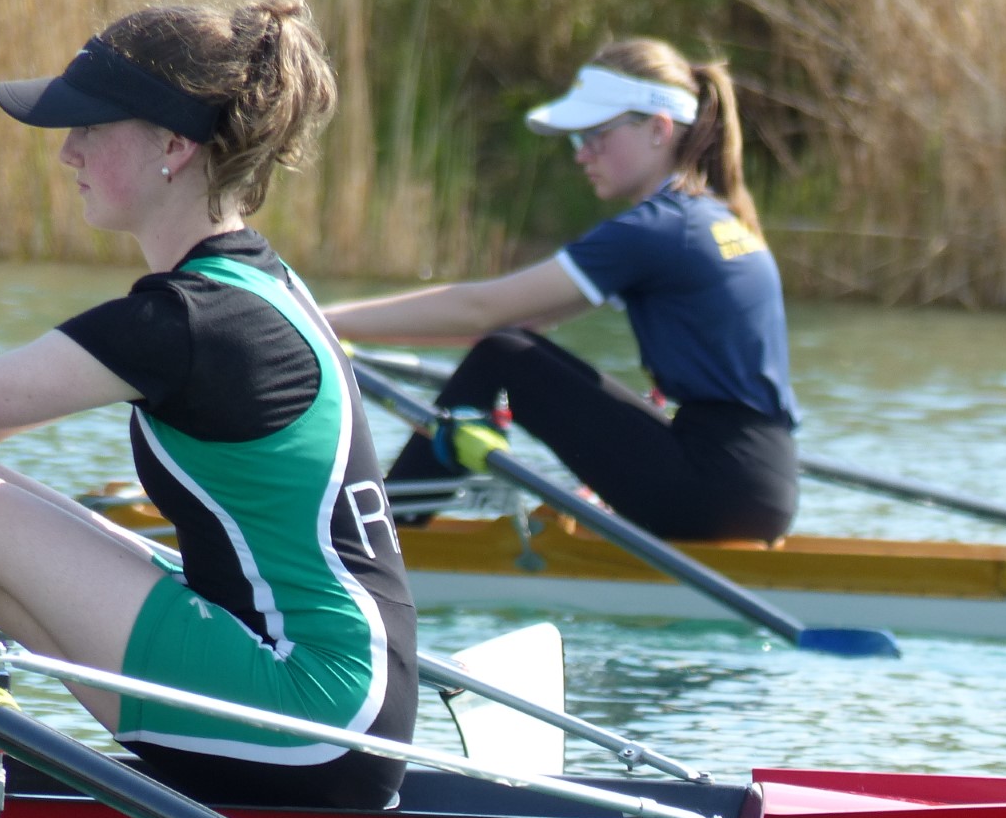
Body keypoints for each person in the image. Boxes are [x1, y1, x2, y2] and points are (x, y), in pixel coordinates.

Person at [0, 0, 416, 809]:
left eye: (90, 127)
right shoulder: (248, 285)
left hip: (314, 715)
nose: (66, 153)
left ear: (173, 145)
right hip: (333, 698)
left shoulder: (193, 323)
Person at [325, 38, 801, 542]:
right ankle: (397, 527)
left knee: (502, 354)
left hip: (712, 486)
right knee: (508, 348)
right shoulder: (712, 217)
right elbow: (516, 319)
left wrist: (318, 320)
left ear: (659, 130)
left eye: (598, 134)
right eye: (578, 139)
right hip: (761, 483)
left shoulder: (656, 230)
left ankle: (379, 541)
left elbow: (481, 310)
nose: (583, 154)